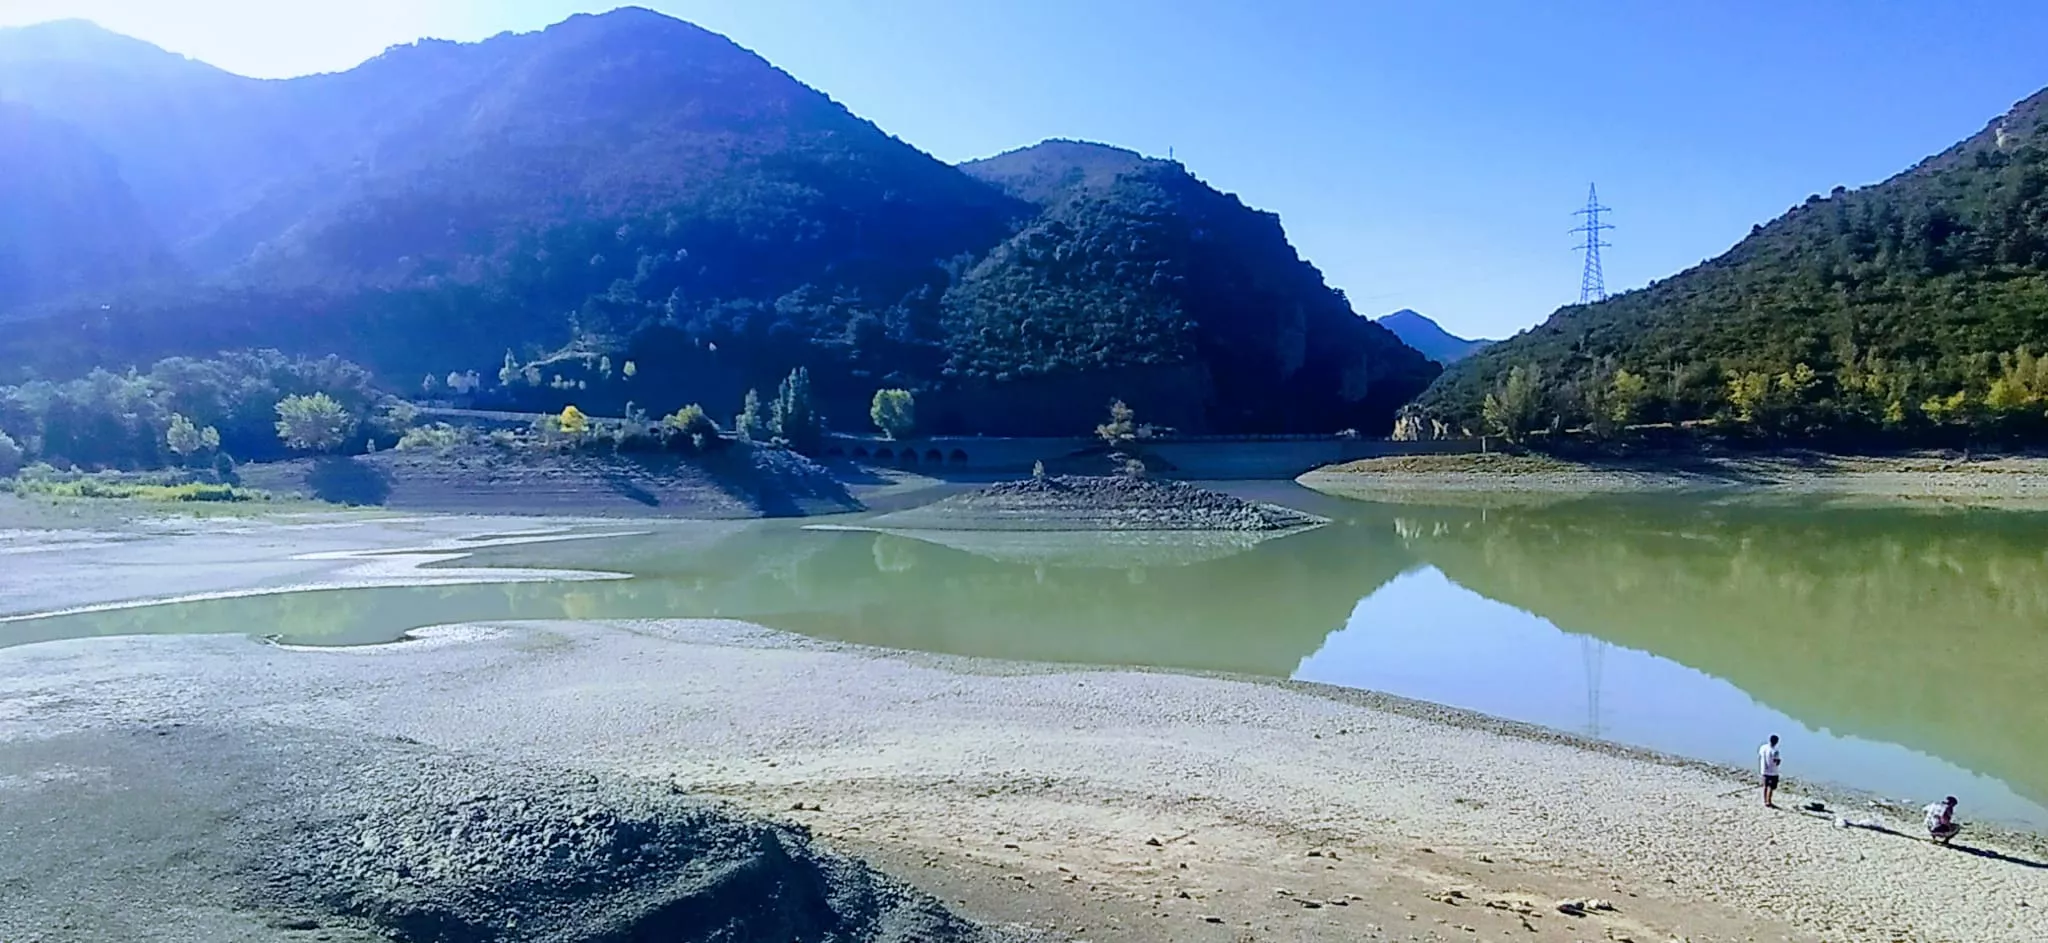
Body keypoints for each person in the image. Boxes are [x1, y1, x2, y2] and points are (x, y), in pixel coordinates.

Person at [1758, 734, 1782, 808]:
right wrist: (1779, 761)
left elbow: (1760, 755)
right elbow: (1776, 762)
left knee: (1765, 786)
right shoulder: (1775, 751)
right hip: (1773, 772)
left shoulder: (1763, 747)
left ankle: (1765, 800)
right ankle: (1769, 801)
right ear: (1776, 742)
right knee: (1771, 787)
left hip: (1763, 770)